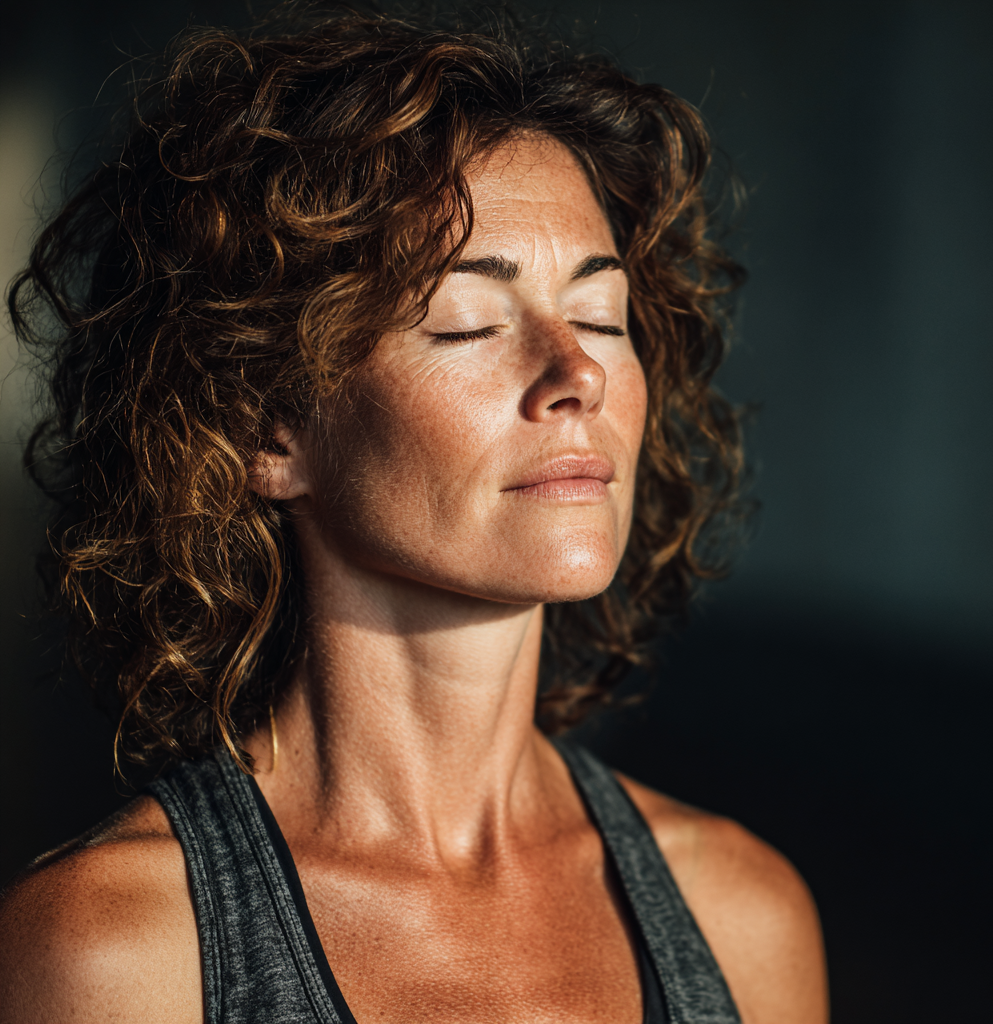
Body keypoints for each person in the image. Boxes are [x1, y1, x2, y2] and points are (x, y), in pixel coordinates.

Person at [0, 5, 828, 1022]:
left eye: (602, 315)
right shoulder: (122, 952)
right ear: (265, 425)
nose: (576, 373)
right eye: (470, 321)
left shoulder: (743, 915)